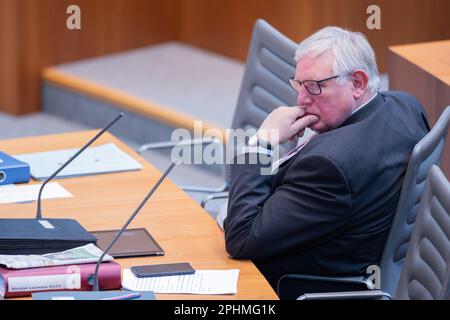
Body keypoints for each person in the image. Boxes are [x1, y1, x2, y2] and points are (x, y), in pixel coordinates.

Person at [222, 26, 430, 298]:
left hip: (291, 284)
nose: (301, 99)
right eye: (299, 85)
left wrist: (262, 142)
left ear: (358, 83)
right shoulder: (407, 106)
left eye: (315, 87)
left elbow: (241, 237)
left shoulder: (329, 166)